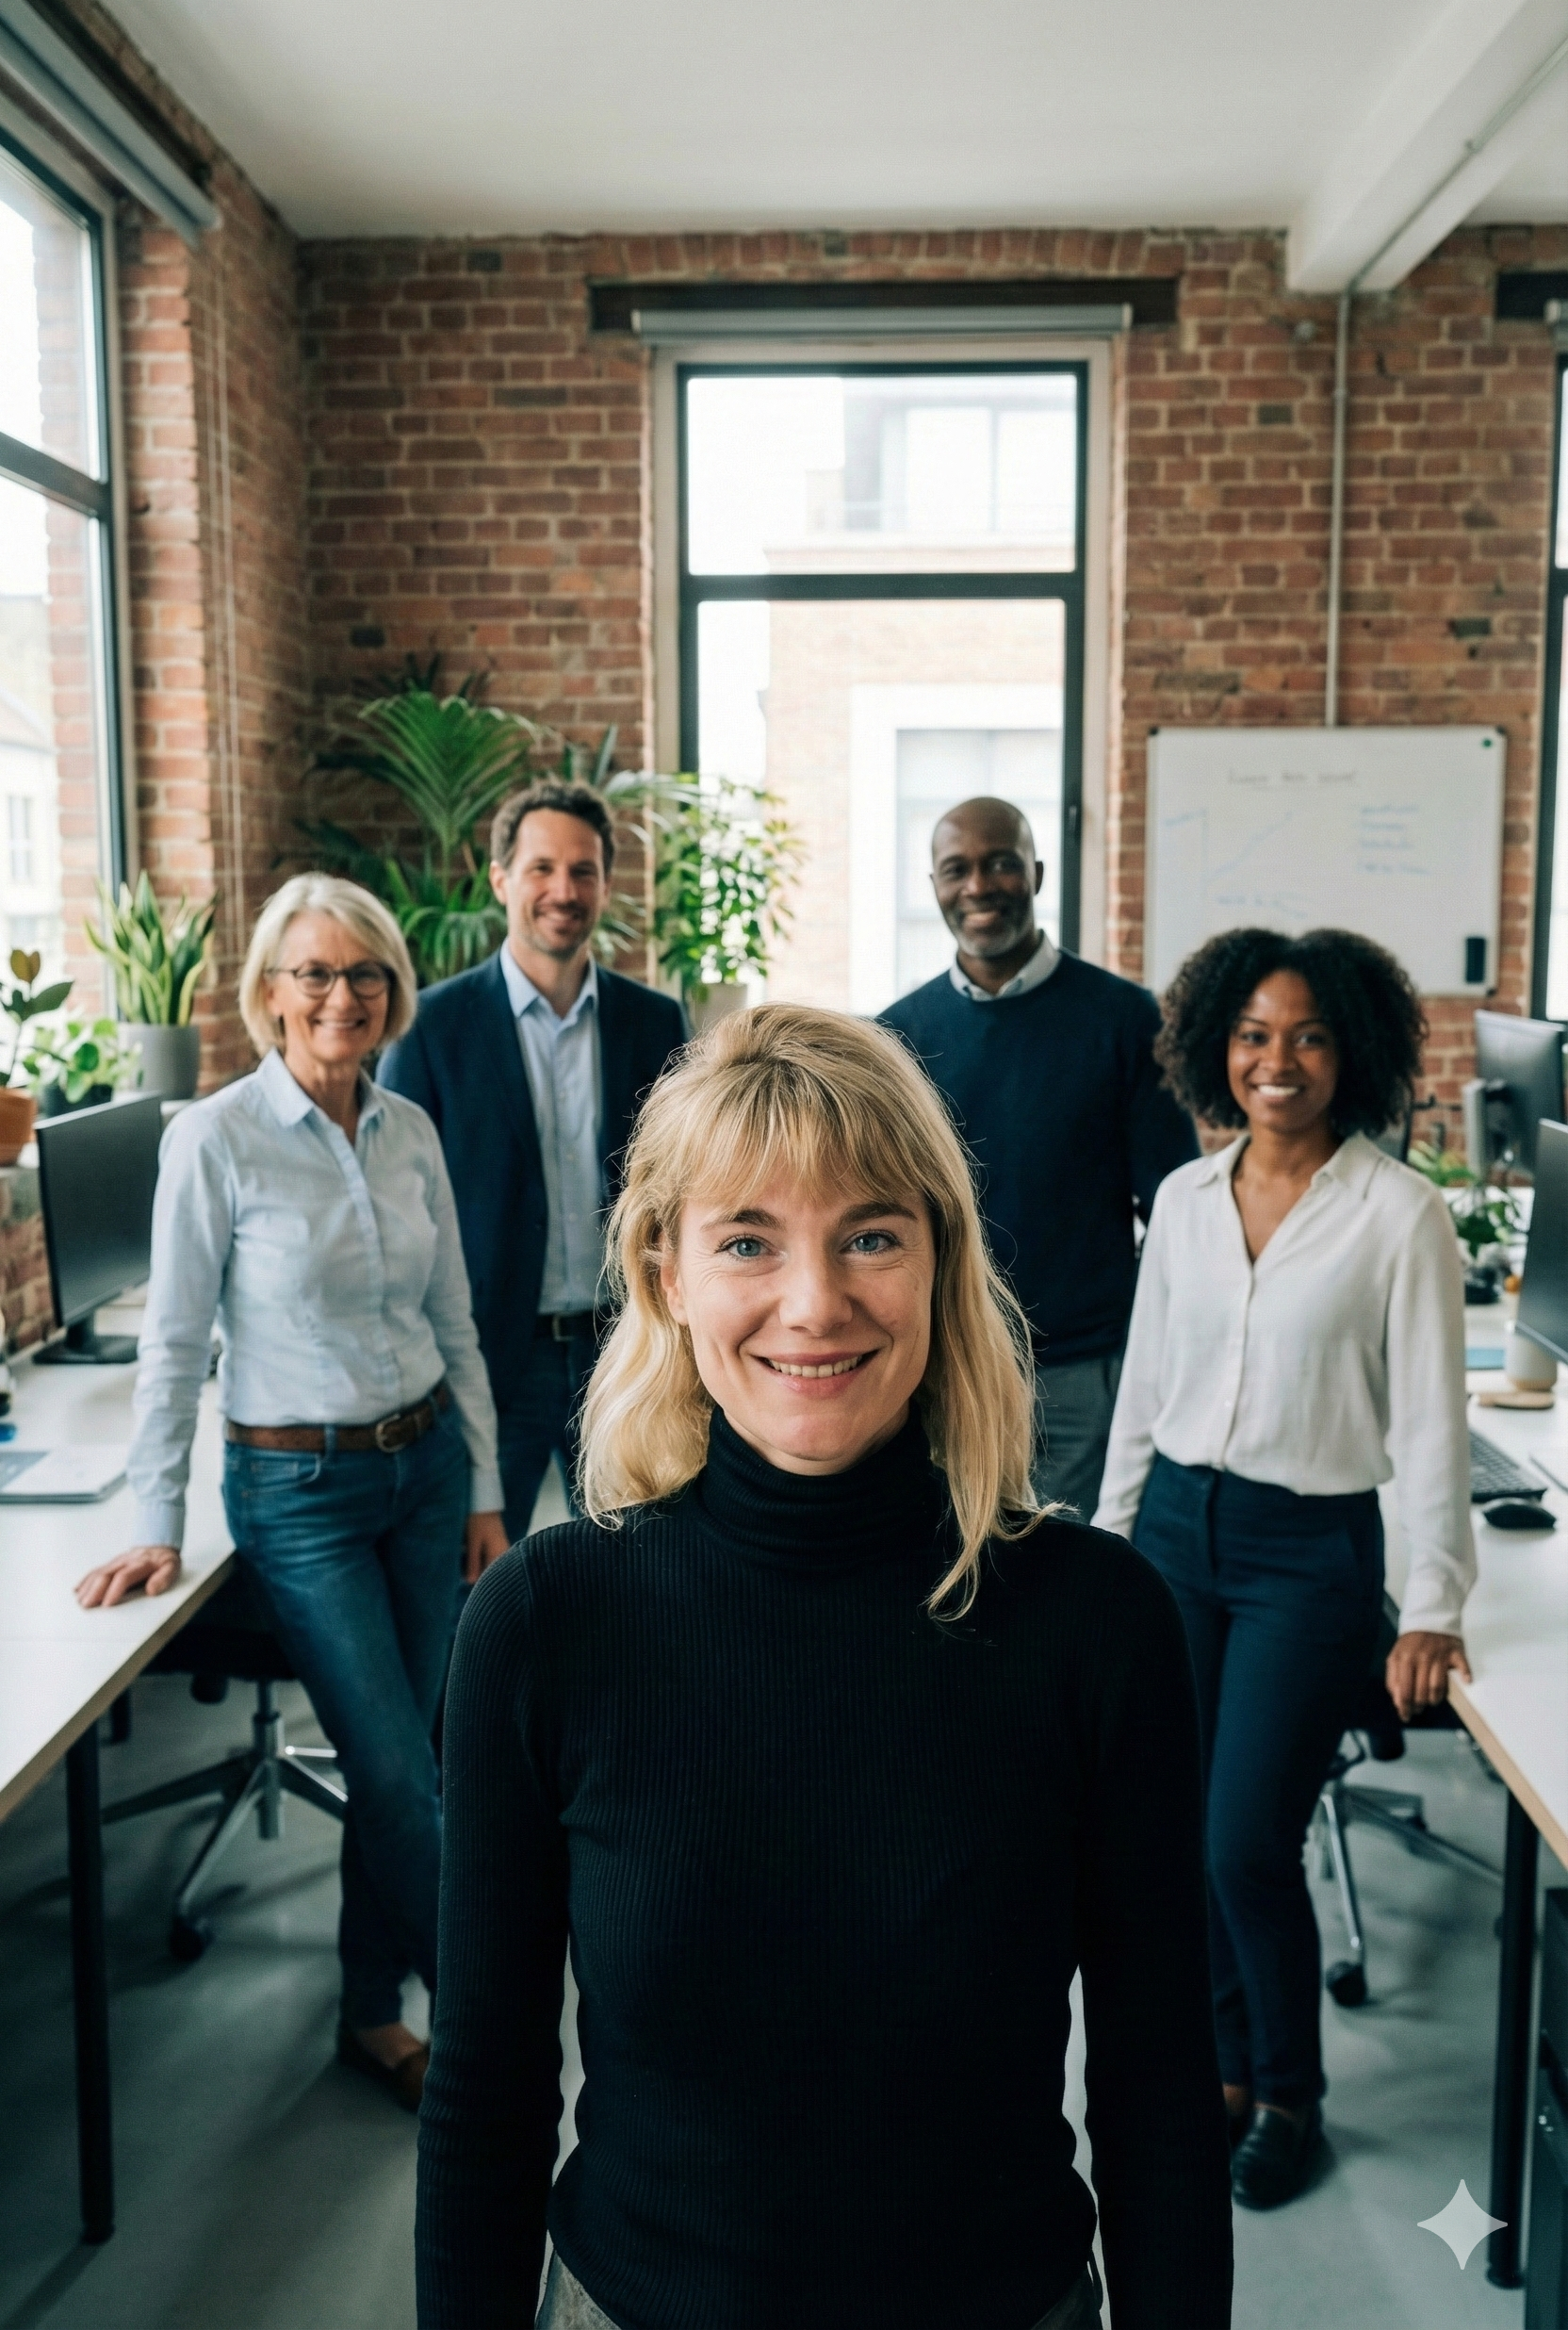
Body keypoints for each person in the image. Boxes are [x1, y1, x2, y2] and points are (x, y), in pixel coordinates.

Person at [416, 1005, 1233, 2330]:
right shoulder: (545, 1622)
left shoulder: (1097, 1622)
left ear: (939, 1263)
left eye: (870, 1235)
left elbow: (1156, 2088)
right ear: (665, 1273)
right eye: (748, 1240)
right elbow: (487, 2094)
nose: (816, 1304)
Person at [75, 874, 506, 2113]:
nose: (340, 995)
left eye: (363, 973)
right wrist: (153, 1526)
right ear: (269, 993)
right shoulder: (213, 1138)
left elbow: (454, 1319)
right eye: (313, 973)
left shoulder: (410, 1129)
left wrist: (480, 1482)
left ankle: (374, 2016)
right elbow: (171, 1342)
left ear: (392, 992)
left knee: (409, 1761)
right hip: (298, 1490)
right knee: (393, 1771)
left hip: (425, 1471)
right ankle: (494, 2043)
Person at [1092, 927, 1475, 2210]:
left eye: (1307, 1035)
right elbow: (1147, 1391)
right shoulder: (1191, 1201)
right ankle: (1219, 2074)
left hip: (1305, 1555)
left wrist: (1432, 1607)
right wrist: (1110, 1550)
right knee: (1173, 1825)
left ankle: (1291, 2093)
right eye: (1253, 1034)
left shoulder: (1399, 1214)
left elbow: (1430, 1426)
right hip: (1175, 1539)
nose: (1278, 1060)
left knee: (1242, 1840)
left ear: (1349, 1049)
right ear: (1217, 1050)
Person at [880, 796, 1197, 1521]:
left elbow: (1177, 1210)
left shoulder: (1126, 1019)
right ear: (934, 886)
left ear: (1037, 873)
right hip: (947, 1363)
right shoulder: (897, 1037)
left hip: (1084, 1371)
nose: (979, 886)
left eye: (1001, 864)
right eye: (957, 869)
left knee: (1069, 1587)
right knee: (950, 1574)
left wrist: (1149, 1356)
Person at [382, 781, 685, 1539]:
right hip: (491, 1362)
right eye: (541, 868)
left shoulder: (654, 1023)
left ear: (606, 886)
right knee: (479, 1590)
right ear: (501, 881)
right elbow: (396, 1207)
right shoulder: (431, 1029)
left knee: (638, 1570)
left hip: (626, 1346)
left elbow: (684, 1187)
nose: (563, 890)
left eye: (583, 871)